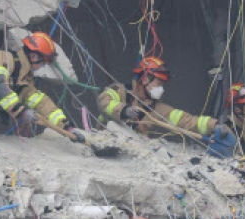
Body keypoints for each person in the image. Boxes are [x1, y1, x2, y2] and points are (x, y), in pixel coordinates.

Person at [98, 55, 235, 156]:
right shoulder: (120, 92)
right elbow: (104, 102)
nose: (162, 89)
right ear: (145, 79)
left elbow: (187, 121)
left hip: (131, 154)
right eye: (159, 84)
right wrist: (124, 110)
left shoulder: (158, 110)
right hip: (103, 146)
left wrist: (213, 125)